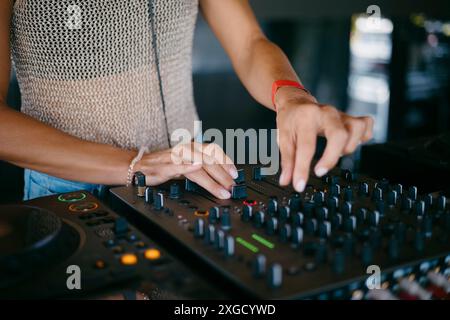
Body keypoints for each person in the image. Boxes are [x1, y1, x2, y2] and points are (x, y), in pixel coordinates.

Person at [0, 0, 373, 201]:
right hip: (72, 188)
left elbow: (248, 44)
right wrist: (138, 165)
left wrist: (290, 95)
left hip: (185, 175)